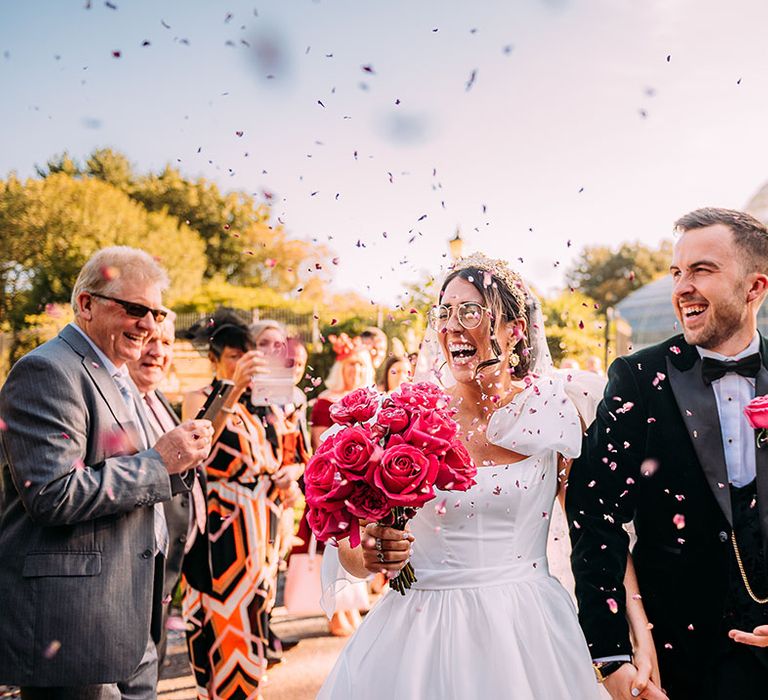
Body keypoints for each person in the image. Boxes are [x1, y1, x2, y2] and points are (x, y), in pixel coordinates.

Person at [317, 252, 655, 699]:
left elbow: (596, 531)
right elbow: (353, 548)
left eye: (471, 311)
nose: (451, 326)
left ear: (514, 330)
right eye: (444, 312)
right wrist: (373, 552)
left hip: (530, 633)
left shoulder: (555, 410)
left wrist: (639, 640)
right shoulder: (401, 419)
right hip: (419, 637)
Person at [568, 208, 768, 699]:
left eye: (702, 270)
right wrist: (612, 657)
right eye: (677, 272)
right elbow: (594, 513)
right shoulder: (637, 378)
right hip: (673, 663)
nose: (682, 287)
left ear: (755, 287)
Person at [0, 246, 213, 699]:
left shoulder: (117, 373)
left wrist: (178, 463)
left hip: (130, 614)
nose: (150, 325)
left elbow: (134, 473)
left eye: (157, 313)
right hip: (76, 624)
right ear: (86, 304)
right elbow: (52, 494)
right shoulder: (46, 370)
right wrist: (160, 463)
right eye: (136, 309)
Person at [180, 312, 289, 700]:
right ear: (215, 359)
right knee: (223, 612)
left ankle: (251, 687)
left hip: (263, 523)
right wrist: (230, 388)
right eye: (231, 356)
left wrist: (290, 477)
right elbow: (198, 447)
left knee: (259, 607)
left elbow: (286, 453)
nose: (241, 363)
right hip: (220, 523)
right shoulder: (201, 396)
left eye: (246, 356)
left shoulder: (264, 402)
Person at [126, 312, 207, 678]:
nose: (158, 351)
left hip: (164, 575)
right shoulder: (118, 400)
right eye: (149, 340)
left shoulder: (156, 397)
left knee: (149, 674)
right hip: (129, 579)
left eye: (168, 342)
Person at [302, 334, 375, 636]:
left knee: (360, 547)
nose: (355, 371)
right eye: (349, 365)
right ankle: (334, 612)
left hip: (362, 483)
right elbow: (321, 444)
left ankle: (350, 608)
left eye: (360, 365)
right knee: (333, 546)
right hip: (335, 480)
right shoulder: (326, 402)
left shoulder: (373, 399)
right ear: (340, 368)